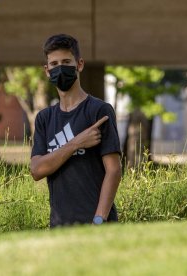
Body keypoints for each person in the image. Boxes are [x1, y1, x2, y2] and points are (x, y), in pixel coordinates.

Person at [30, 34, 122, 227]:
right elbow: (37, 170)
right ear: (47, 71)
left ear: (79, 65)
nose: (59, 68)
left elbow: (113, 170)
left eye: (66, 62)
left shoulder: (98, 110)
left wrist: (99, 220)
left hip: (98, 224)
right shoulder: (44, 119)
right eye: (54, 64)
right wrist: (76, 143)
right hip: (59, 225)